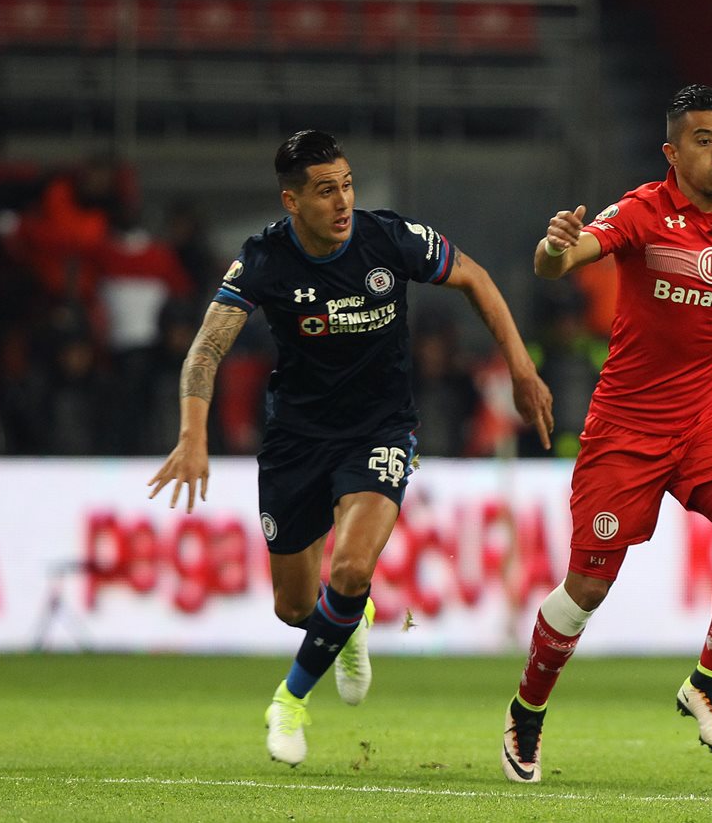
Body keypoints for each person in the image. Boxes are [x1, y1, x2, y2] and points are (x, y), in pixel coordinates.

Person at [147, 130, 554, 767]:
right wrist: (192, 435)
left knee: (352, 569)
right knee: (294, 606)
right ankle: (347, 624)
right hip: (296, 441)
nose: (342, 203)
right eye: (324, 191)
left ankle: (289, 699)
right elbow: (205, 348)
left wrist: (521, 368)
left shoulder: (388, 238)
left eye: (347, 185)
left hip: (381, 431)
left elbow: (472, 276)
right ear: (292, 201)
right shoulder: (264, 260)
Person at [500, 85, 712, 783]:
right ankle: (528, 708)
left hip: (706, 420)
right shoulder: (645, 210)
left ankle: (707, 681)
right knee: (586, 586)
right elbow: (564, 258)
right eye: (705, 141)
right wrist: (552, 248)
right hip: (625, 428)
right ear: (673, 153)